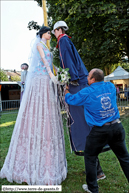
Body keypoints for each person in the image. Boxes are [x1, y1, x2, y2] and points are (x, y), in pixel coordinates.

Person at [0, 26, 67, 185]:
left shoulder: (46, 46)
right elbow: (44, 60)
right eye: (49, 32)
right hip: (40, 80)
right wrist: (51, 75)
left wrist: (59, 72)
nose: (50, 34)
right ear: (43, 33)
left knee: (47, 112)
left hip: (46, 79)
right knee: (36, 109)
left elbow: (50, 62)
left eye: (51, 32)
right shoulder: (39, 45)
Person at [52, 21, 105, 180]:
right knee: (84, 126)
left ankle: (97, 171)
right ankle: (97, 169)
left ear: (58, 30)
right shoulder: (67, 40)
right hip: (81, 83)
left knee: (80, 127)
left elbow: (68, 65)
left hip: (76, 85)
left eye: (54, 31)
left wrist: (69, 83)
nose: (54, 34)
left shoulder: (62, 40)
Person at [65, 68, 129, 193]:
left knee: (90, 157)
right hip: (117, 127)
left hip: (100, 131)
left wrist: (67, 91)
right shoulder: (110, 86)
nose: (87, 78)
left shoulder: (87, 92)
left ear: (93, 79)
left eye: (88, 77)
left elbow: (71, 100)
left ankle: (92, 189)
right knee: (124, 158)